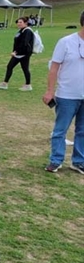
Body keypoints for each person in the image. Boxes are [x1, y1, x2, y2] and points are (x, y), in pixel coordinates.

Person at [43, 10, 84, 174]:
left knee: (82, 130)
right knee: (60, 129)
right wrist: (50, 91)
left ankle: (79, 161)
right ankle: (56, 160)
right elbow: (54, 68)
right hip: (67, 95)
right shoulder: (66, 42)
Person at [0, 17, 35, 92]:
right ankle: (5, 83)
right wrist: (14, 51)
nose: (18, 24)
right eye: (18, 22)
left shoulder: (27, 31)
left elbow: (24, 44)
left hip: (24, 54)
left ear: (25, 23)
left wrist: (16, 52)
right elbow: (17, 42)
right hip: (18, 53)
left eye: (20, 22)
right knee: (10, 66)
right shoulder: (21, 31)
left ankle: (28, 85)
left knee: (25, 69)